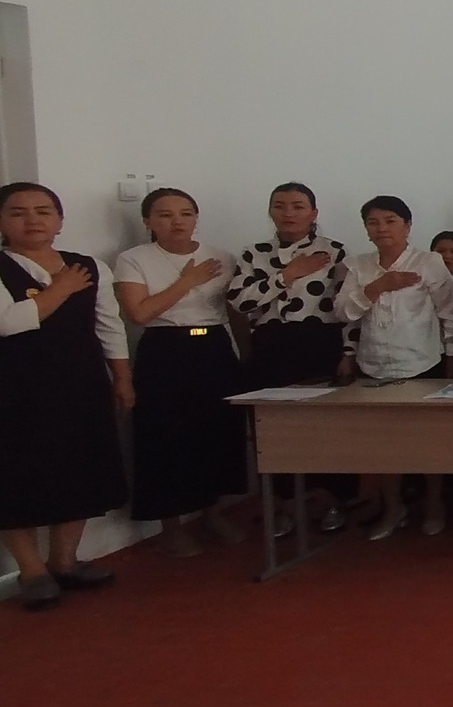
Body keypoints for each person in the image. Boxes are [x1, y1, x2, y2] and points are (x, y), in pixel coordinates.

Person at [0, 183, 130, 609]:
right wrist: (60, 289)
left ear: (59, 220)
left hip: (80, 382)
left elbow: (109, 325)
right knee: (17, 474)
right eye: (18, 212)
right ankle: (31, 571)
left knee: (80, 466)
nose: (32, 220)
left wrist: (122, 377)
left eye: (43, 211)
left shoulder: (88, 266)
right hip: (15, 387)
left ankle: (65, 560)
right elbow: (7, 322)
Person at [112, 188, 245, 556]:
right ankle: (170, 525)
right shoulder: (133, 259)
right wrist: (187, 281)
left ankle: (212, 512)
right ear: (148, 221)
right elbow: (140, 313)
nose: (177, 222)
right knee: (165, 436)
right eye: (165, 214)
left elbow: (234, 311)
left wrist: (245, 355)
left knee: (217, 431)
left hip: (214, 346)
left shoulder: (222, 256)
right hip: (165, 349)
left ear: (196, 218)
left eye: (186, 213)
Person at [336, 194, 453, 540]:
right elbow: (344, 312)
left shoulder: (428, 262)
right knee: (383, 446)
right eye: (373, 222)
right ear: (366, 229)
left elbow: (450, 313)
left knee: (428, 443)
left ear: (407, 226)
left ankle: (434, 504)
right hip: (373, 366)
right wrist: (378, 287)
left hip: (422, 363)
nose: (382, 228)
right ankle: (393, 508)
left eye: (390, 221)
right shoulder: (358, 265)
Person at [229, 182, 351, 390]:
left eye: (298, 207)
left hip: (320, 342)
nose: (288, 213)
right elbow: (239, 302)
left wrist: (349, 353)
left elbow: (347, 309)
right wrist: (287, 275)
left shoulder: (334, 251)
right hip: (269, 345)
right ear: (270, 212)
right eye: (279, 206)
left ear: (313, 213)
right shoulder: (254, 252)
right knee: (267, 408)